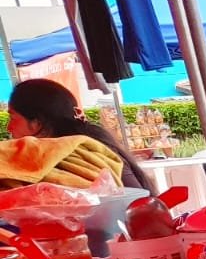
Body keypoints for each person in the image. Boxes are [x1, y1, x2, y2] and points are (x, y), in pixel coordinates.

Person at [6, 78, 149, 189]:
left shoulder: (78, 154)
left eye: (12, 118)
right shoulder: (90, 142)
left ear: (37, 121)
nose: (9, 127)